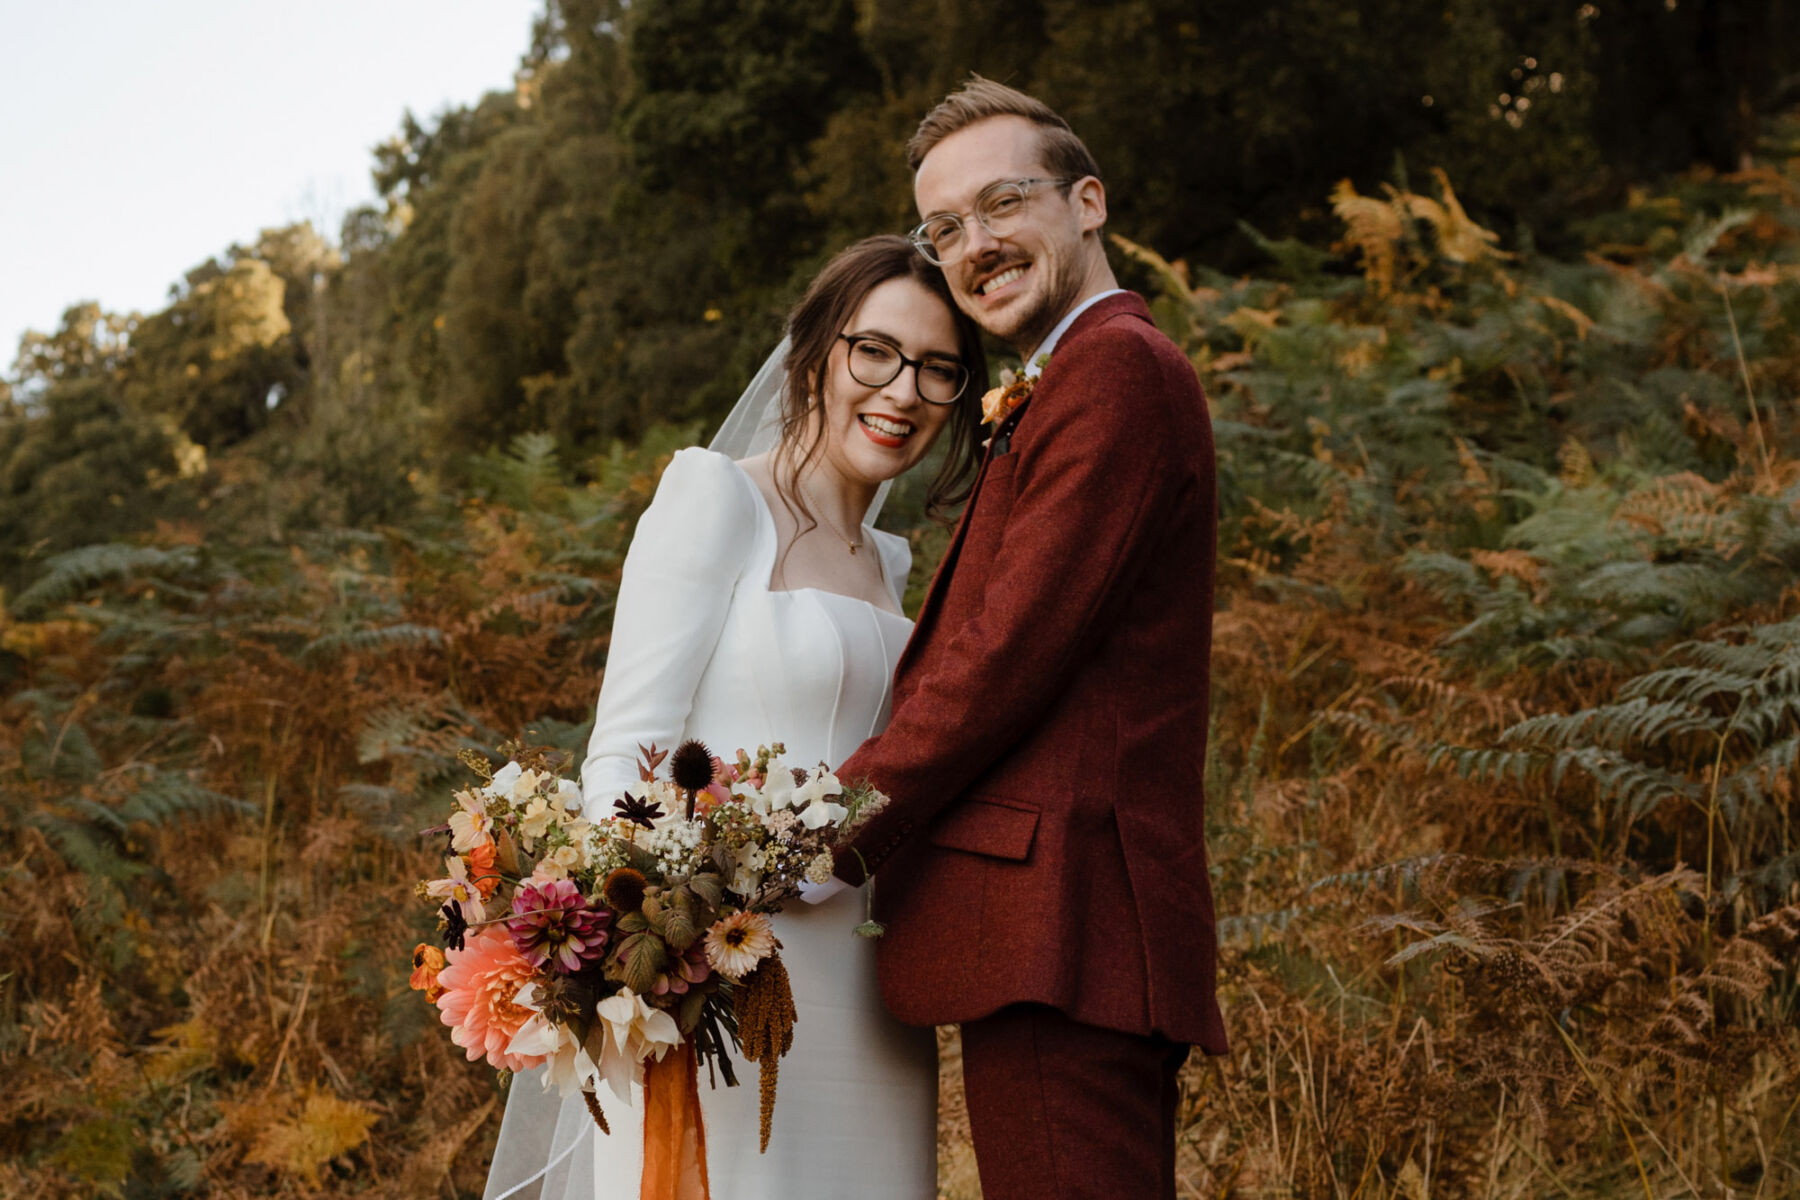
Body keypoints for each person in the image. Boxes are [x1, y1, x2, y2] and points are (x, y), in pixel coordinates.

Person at [479, 234, 985, 1199]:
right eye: (874, 351)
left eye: (939, 369)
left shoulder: (891, 562)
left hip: (871, 994)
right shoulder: (716, 497)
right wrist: (659, 952)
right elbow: (623, 751)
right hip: (719, 984)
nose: (903, 390)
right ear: (814, 352)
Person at [824, 78, 1230, 1200]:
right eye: (944, 228)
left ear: (1087, 201)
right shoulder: (1071, 378)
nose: (975, 244)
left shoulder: (1115, 374)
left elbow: (1002, 659)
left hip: (1070, 929)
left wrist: (822, 833)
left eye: (1003, 202)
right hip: (1057, 936)